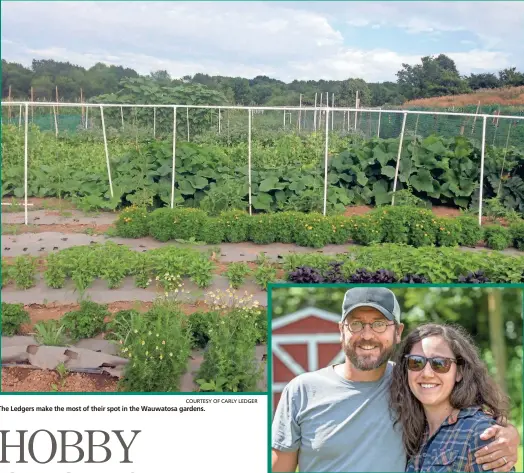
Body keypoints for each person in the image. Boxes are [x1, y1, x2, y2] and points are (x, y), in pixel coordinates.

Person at [271, 287, 520, 473]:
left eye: (379, 324)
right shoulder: (301, 390)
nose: (367, 335)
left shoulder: (409, 384)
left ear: (398, 331)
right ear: (341, 330)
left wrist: (508, 434)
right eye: (356, 324)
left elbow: (475, 420)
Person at [390, 323, 516, 472]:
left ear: (459, 372)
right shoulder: (412, 432)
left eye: (440, 363)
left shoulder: (479, 433)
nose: (427, 373)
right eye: (416, 362)